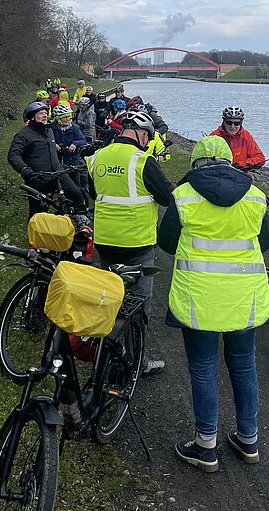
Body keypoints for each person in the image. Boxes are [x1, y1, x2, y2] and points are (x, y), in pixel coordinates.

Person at [157, 135, 269, 473]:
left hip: (199, 298)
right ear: (229, 162)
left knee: (204, 367)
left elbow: (166, 243)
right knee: (244, 365)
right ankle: (248, 439)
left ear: (195, 162)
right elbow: (265, 241)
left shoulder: (183, 195)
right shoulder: (255, 196)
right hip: (243, 297)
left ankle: (206, 444)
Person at [86, 111, 173, 376]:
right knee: (138, 303)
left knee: (110, 298)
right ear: (141, 133)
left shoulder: (98, 156)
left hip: (105, 241)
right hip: (137, 243)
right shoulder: (143, 161)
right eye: (147, 137)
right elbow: (166, 197)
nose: (147, 142)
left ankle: (106, 355)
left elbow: (93, 192)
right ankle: (137, 362)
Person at [7, 101, 84, 216]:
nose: (44, 115)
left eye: (45, 113)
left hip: (58, 173)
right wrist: (24, 169)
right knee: (39, 212)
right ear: (32, 117)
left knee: (77, 196)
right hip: (39, 177)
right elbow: (13, 155)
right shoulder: (23, 135)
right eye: (40, 113)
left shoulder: (49, 131)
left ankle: (77, 222)